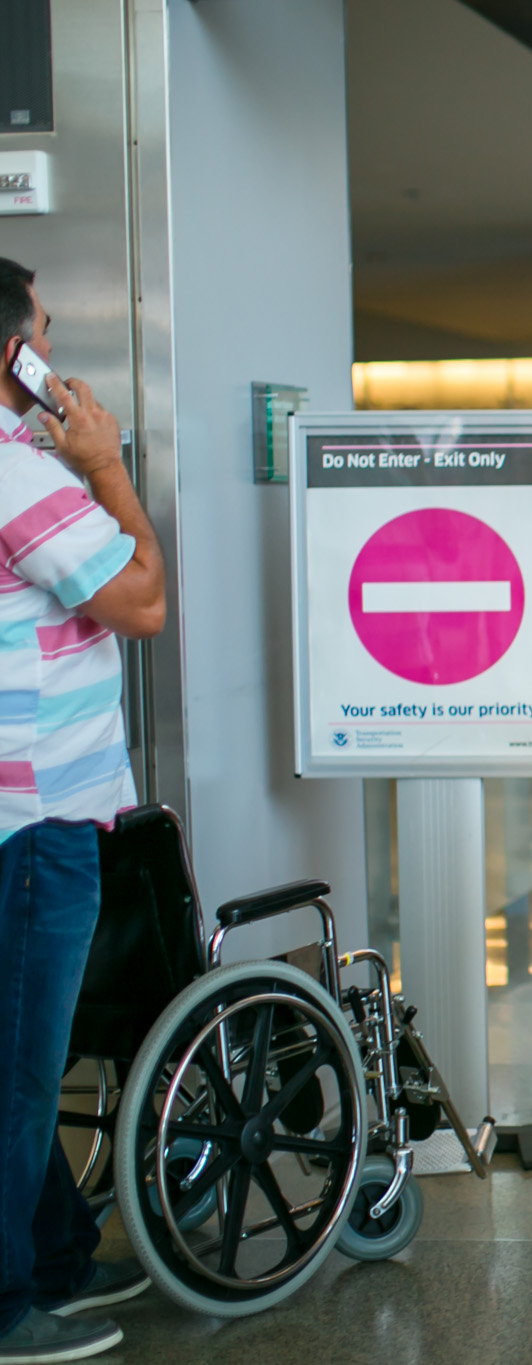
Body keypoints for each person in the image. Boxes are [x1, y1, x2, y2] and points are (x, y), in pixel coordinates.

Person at [0, 259, 166, 1361]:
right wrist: (108, 468)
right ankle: (10, 1304)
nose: (54, 357)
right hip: (34, 822)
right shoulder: (22, 479)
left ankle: (54, 1252)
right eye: (43, 335)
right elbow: (143, 600)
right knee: (21, 1070)